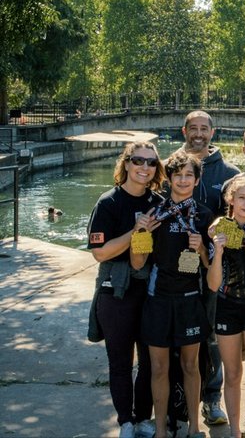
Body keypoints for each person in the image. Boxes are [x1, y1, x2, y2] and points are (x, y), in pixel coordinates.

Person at [131, 152, 213, 438]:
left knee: (191, 365)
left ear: (197, 179)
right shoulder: (154, 213)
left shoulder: (204, 216)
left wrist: (202, 247)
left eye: (188, 175)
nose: (183, 180)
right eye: (177, 174)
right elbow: (138, 263)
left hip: (190, 298)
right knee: (158, 368)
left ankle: (193, 427)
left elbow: (209, 265)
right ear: (168, 178)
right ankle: (162, 428)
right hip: (158, 299)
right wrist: (141, 231)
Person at [87, 142, 166, 438]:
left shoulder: (158, 204)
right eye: (138, 161)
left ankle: (144, 418)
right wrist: (135, 233)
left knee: (149, 361)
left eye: (150, 163)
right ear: (127, 163)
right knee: (120, 361)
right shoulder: (108, 202)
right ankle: (125, 422)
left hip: (149, 291)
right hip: (115, 291)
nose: (144, 167)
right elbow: (100, 252)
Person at [178, 110, 239, 426]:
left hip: (215, 268)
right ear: (184, 130)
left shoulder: (229, 173)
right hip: (177, 270)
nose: (198, 133)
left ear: (212, 132)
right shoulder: (170, 167)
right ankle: (179, 399)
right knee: (179, 334)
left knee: (213, 335)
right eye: (194, 128)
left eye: (204, 128)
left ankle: (212, 399)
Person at [208, 176, 245, 438]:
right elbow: (213, 285)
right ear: (230, 199)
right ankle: (234, 432)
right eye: (241, 198)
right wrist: (218, 251)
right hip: (227, 305)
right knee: (232, 373)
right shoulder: (220, 230)